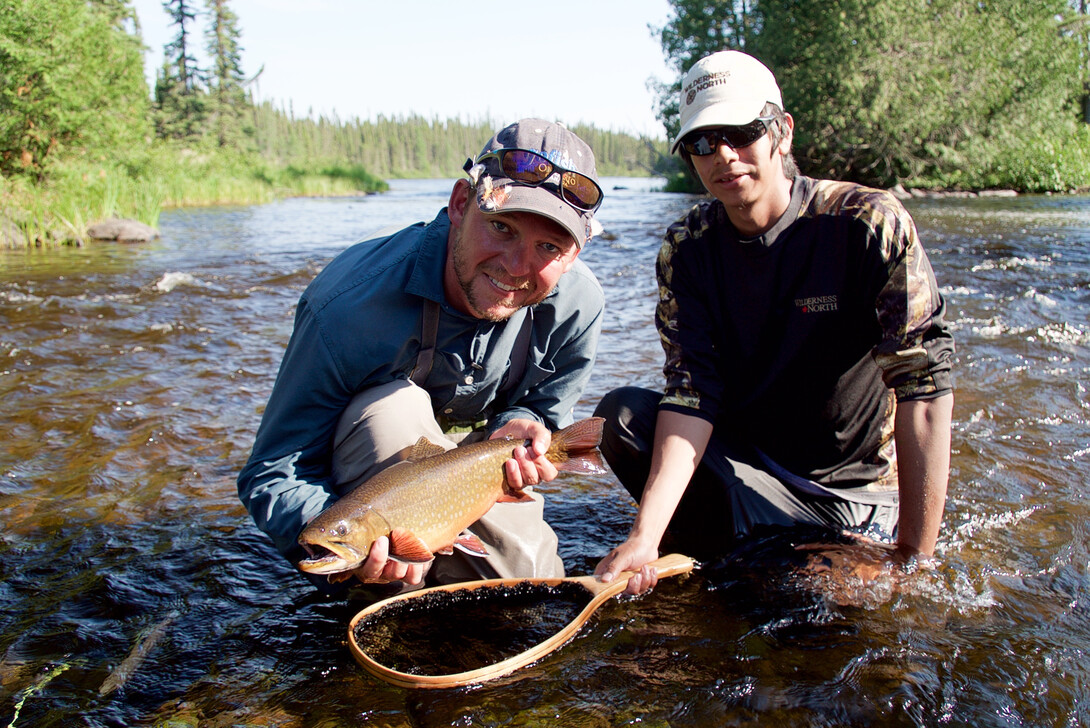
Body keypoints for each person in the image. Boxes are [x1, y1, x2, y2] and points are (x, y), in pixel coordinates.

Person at [594, 51, 955, 594]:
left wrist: (912, 560)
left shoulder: (865, 224)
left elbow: (923, 386)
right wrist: (645, 536)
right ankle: (736, 548)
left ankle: (787, 552)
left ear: (781, 132)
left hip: (849, 493)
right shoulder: (687, 248)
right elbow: (692, 393)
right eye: (702, 142)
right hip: (747, 468)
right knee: (620, 416)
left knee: (805, 608)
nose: (724, 155)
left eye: (741, 133)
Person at [238, 118, 606, 593]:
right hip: (371, 482)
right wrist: (346, 542)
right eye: (501, 227)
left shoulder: (579, 305)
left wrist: (525, 423)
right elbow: (274, 472)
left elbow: (545, 411)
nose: (516, 267)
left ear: (574, 254)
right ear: (460, 204)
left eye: (549, 247)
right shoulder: (345, 306)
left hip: (475, 471)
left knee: (524, 585)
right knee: (395, 412)